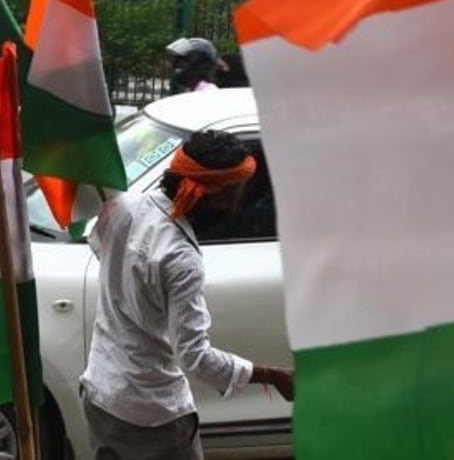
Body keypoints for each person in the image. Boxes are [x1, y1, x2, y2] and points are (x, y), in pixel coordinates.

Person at [80, 130, 294, 460]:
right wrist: (272, 375)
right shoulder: (181, 259)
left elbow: (99, 247)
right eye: (235, 192)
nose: (238, 202)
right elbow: (195, 357)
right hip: (152, 419)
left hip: (100, 396)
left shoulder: (123, 206)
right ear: (210, 192)